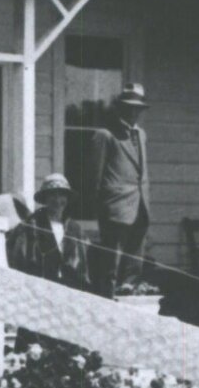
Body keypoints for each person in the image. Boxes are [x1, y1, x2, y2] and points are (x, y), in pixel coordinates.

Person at [88, 83, 152, 298]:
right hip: (115, 205)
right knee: (111, 258)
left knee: (135, 254)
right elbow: (94, 176)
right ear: (120, 108)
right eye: (129, 107)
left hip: (140, 203)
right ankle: (107, 295)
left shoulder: (141, 134)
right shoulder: (105, 135)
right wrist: (100, 205)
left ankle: (129, 290)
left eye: (138, 108)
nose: (134, 112)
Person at [9, 172, 90, 289]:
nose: (58, 200)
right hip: (38, 288)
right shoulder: (31, 225)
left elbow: (84, 265)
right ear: (45, 198)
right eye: (53, 195)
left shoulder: (74, 229)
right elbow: (19, 259)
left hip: (70, 290)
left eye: (62, 195)